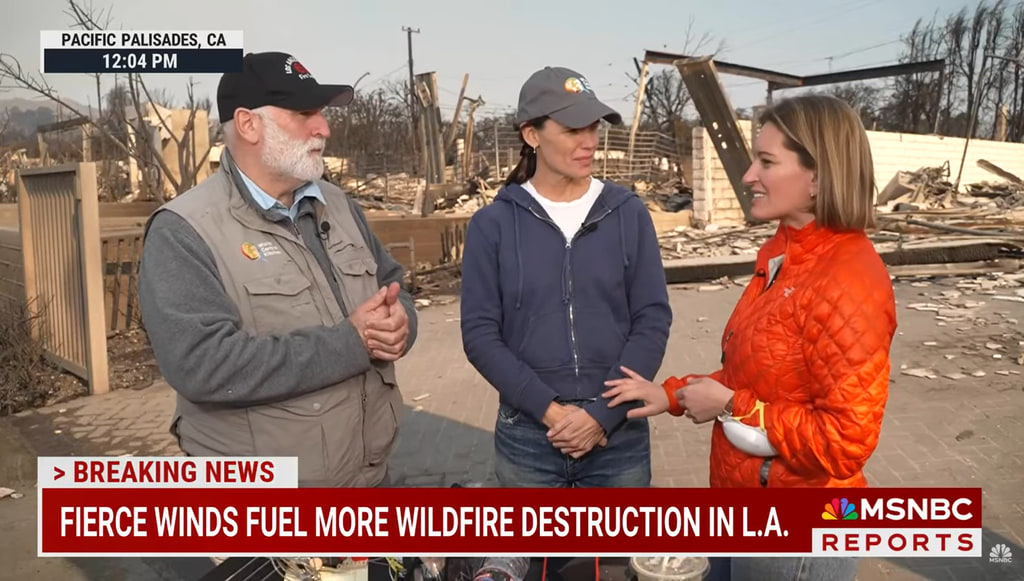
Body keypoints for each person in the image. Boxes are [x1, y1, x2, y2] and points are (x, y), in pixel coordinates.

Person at [602, 94, 896, 580]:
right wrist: (670, 394)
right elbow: (756, 374)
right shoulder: (783, 251)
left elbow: (845, 441)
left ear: (819, 176)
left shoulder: (849, 281)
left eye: (767, 161)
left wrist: (732, 406)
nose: (748, 176)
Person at [138, 51, 417, 488]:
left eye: (322, 113)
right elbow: (201, 364)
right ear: (249, 124)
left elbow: (392, 285)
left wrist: (403, 322)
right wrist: (351, 342)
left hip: (370, 479)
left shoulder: (340, 205)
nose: (323, 127)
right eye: (304, 113)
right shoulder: (184, 230)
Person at [460, 66, 672, 488]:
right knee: (534, 556)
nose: (589, 141)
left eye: (593, 127)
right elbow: (481, 334)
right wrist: (549, 410)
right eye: (573, 128)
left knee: (614, 556)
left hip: (618, 434)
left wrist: (601, 415)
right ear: (531, 134)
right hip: (528, 436)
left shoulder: (627, 213)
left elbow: (651, 318)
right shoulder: (493, 225)